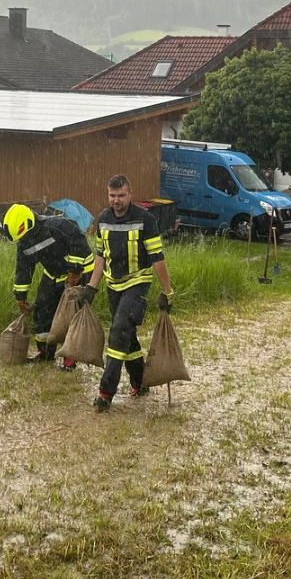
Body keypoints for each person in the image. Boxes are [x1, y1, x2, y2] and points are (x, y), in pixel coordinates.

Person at [76, 175, 173, 412]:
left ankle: (105, 392)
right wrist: (91, 287)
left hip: (137, 285)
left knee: (118, 331)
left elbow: (157, 258)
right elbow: (100, 256)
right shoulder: (103, 218)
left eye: (120, 195)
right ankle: (140, 383)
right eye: (112, 196)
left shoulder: (145, 219)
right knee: (127, 336)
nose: (116, 200)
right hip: (113, 286)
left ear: (130, 194)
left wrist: (168, 292)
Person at [3, 204, 94, 370]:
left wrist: (74, 271)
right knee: (42, 309)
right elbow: (23, 269)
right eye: (21, 238)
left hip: (81, 272)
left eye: (24, 236)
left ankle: (70, 356)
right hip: (53, 273)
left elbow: (79, 245)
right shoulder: (24, 243)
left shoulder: (59, 226)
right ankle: (45, 352)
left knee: (71, 314)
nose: (23, 241)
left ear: (30, 225)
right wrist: (20, 297)